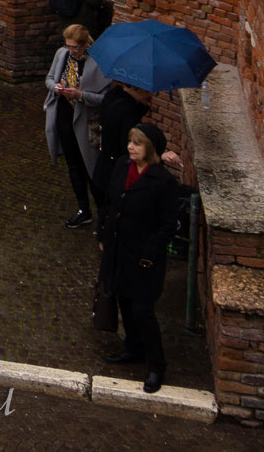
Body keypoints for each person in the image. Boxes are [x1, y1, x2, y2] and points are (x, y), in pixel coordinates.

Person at [98, 122, 184, 394]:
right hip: (118, 249)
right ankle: (133, 349)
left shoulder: (163, 182)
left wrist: (150, 251)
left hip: (144, 257)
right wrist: (103, 234)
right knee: (123, 299)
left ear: (150, 149)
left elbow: (168, 225)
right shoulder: (123, 165)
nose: (130, 147)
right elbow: (110, 202)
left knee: (143, 311)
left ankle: (156, 365)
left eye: (137, 144)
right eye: (130, 142)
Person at [43, 23, 110, 228]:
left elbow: (105, 98)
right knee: (73, 165)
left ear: (84, 45)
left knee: (91, 166)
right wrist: (55, 87)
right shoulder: (61, 55)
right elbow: (49, 78)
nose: (71, 51)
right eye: (68, 46)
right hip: (64, 117)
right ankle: (83, 209)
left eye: (75, 47)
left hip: (85, 121)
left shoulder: (97, 62)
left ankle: (104, 213)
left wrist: (81, 95)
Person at [90, 80, 150, 220]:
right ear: (137, 88)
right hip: (115, 174)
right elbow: (127, 148)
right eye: (147, 91)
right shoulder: (130, 112)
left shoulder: (112, 95)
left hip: (102, 169)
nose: (150, 95)